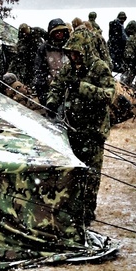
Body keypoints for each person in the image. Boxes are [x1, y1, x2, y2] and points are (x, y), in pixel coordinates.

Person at [46, 29, 115, 228]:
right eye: (70, 53)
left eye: (76, 53)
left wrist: (83, 87)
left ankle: (87, 212)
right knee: (75, 173)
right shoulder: (69, 69)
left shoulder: (99, 68)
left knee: (91, 175)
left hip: (94, 131)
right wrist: (52, 102)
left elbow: (109, 95)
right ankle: (73, 209)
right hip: (73, 128)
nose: (73, 57)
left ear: (85, 51)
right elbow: (57, 86)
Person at [33, 18, 71, 102]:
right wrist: (43, 94)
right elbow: (39, 71)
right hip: (52, 90)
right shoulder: (44, 49)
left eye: (60, 31)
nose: (59, 34)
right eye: (56, 32)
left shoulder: (70, 46)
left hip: (70, 89)